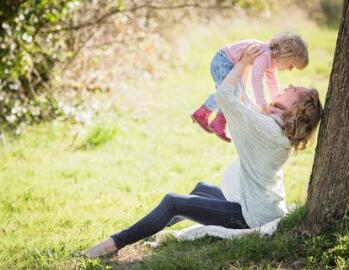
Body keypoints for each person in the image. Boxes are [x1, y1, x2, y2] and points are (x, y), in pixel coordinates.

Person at [82, 45, 322, 258]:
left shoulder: (268, 129)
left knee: (173, 202)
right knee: (200, 189)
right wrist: (247, 65)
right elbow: (244, 103)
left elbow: (225, 96)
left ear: (297, 107)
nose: (289, 84)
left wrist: (242, 62)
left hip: (250, 217)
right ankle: (150, 228)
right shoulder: (276, 127)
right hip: (260, 207)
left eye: (296, 89)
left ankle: (114, 244)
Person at [191, 33, 309, 142]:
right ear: (286, 56)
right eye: (292, 65)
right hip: (223, 61)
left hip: (229, 64)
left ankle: (218, 122)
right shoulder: (263, 54)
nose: (290, 69)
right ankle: (204, 113)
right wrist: (262, 104)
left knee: (231, 94)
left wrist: (275, 99)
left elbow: (272, 81)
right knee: (227, 92)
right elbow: (256, 80)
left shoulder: (270, 60)